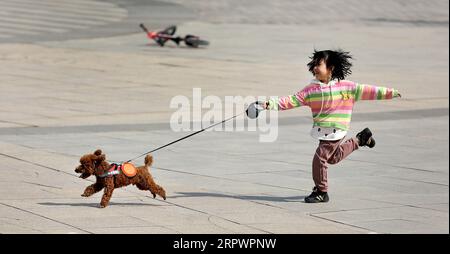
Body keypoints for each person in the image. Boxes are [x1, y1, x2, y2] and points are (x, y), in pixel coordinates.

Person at [260, 49, 401, 203]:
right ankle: (361, 139)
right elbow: (291, 100)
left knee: (320, 157)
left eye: (318, 64)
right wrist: (270, 104)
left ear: (331, 68)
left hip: (338, 129)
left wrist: (390, 93)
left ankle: (321, 191)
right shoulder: (310, 90)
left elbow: (369, 91)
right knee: (333, 158)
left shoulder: (347, 87)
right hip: (323, 130)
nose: (314, 68)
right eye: (313, 65)